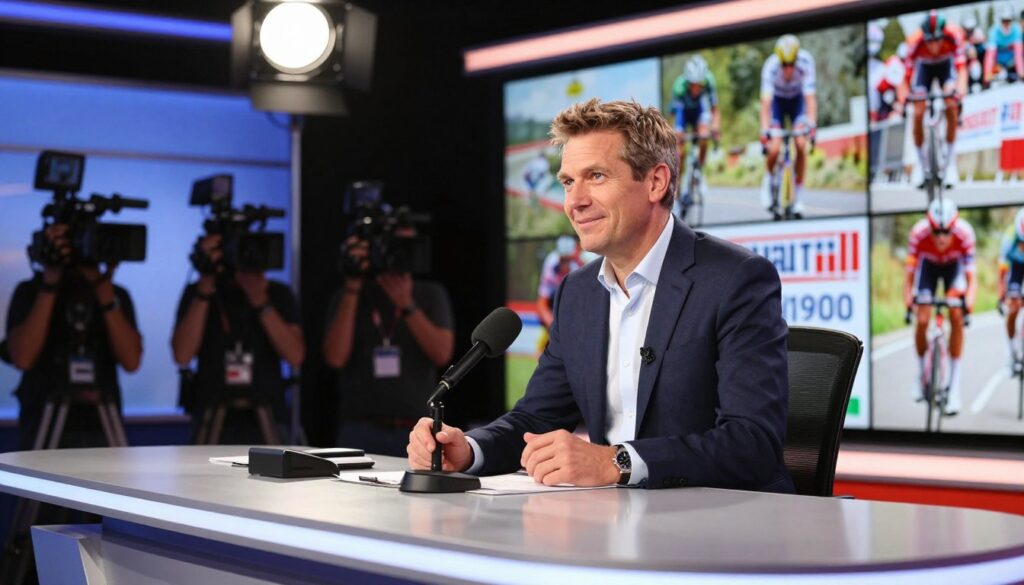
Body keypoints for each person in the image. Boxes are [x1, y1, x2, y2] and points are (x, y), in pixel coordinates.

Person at [408, 98, 793, 492]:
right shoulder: (577, 293)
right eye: (568, 182)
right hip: (616, 526)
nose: (574, 202)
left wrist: (618, 462)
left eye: (596, 176)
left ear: (655, 182)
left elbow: (752, 442)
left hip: (723, 529)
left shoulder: (735, 279)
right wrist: (470, 450)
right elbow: (537, 420)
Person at [3, 224, 142, 450]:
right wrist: (50, 282)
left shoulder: (116, 296)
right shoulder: (30, 292)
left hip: (102, 425)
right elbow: (23, 358)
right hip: (42, 420)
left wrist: (103, 290)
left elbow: (132, 361)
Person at [323, 228, 454, 457]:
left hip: (414, 429)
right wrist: (352, 288)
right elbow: (335, 357)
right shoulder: (352, 295)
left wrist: (407, 304)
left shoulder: (430, 294)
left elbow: (442, 353)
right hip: (358, 428)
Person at [171, 234, 305, 443]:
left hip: (268, 415)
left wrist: (260, 300)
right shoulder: (197, 293)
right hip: (211, 414)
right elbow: (182, 355)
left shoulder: (278, 293)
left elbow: (295, 356)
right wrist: (205, 286)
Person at [904, 198, 975, 416]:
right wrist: (909, 304)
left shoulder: (965, 234)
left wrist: (968, 305)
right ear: (929, 226)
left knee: (956, 316)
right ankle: (920, 374)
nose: (942, 238)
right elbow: (908, 278)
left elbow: (972, 279)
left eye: (947, 232)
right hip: (928, 268)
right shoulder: (918, 234)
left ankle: (953, 388)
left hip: (954, 269)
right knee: (923, 319)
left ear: (955, 226)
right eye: (936, 232)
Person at [900, 10, 968, 189]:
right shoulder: (914, 42)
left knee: (951, 102)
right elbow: (905, 80)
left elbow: (962, 71)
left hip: (946, 66)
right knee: (918, 110)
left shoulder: (954, 35)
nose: (934, 46)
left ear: (943, 35)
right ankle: (920, 166)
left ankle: (950, 163)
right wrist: (905, 98)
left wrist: (959, 92)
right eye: (929, 41)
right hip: (925, 68)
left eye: (937, 40)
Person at [760, 34, 817, 219]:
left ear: (796, 59)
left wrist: (812, 125)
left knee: (800, 144)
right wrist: (764, 131)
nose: (788, 69)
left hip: (797, 102)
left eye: (791, 64)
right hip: (777, 103)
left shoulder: (806, 62)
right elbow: (766, 104)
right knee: (774, 148)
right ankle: (768, 179)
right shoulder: (770, 67)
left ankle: (798, 198)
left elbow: (810, 99)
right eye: (784, 64)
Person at [669, 54, 720, 213]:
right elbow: (675, 115)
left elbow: (714, 109)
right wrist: (675, 134)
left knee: (704, 137)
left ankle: (699, 172)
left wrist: (715, 128)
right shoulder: (679, 87)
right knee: (679, 152)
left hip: (699, 112)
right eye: (692, 85)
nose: (696, 89)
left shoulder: (710, 82)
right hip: (683, 113)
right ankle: (677, 189)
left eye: (699, 85)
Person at [998, 208, 1024, 375]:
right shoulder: (1009, 239)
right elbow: (1002, 273)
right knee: (1013, 307)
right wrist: (1002, 296)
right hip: (1015, 268)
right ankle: (1011, 351)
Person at [984, 3, 1024, 83]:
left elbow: (1018, 55)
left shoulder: (1016, 30)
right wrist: (987, 73)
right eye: (1003, 20)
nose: (1006, 23)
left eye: (1008, 20)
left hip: (1012, 63)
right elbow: (990, 56)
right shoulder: (993, 32)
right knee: (998, 74)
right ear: (1000, 20)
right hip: (999, 65)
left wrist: (1021, 72)